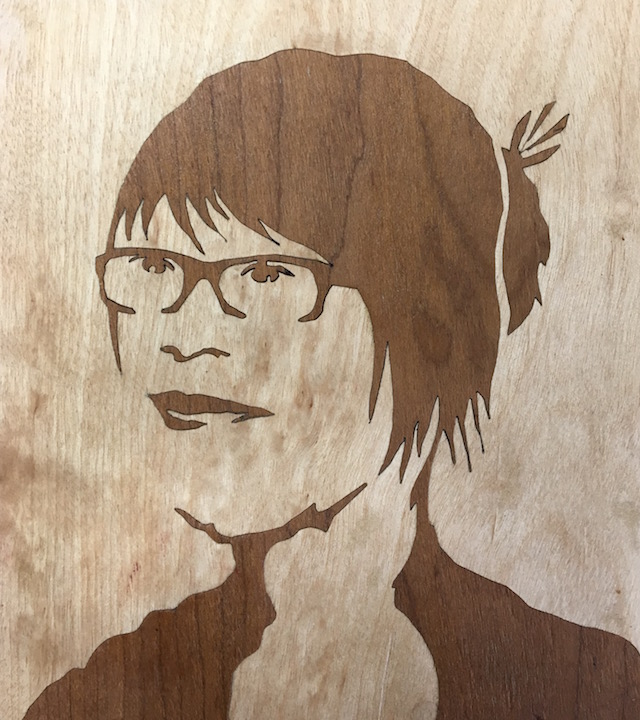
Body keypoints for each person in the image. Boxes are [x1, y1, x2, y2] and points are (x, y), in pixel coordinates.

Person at [24, 49, 640, 719]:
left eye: (265, 275)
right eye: (150, 266)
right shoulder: (87, 702)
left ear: (433, 324)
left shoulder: (589, 690)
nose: (184, 334)